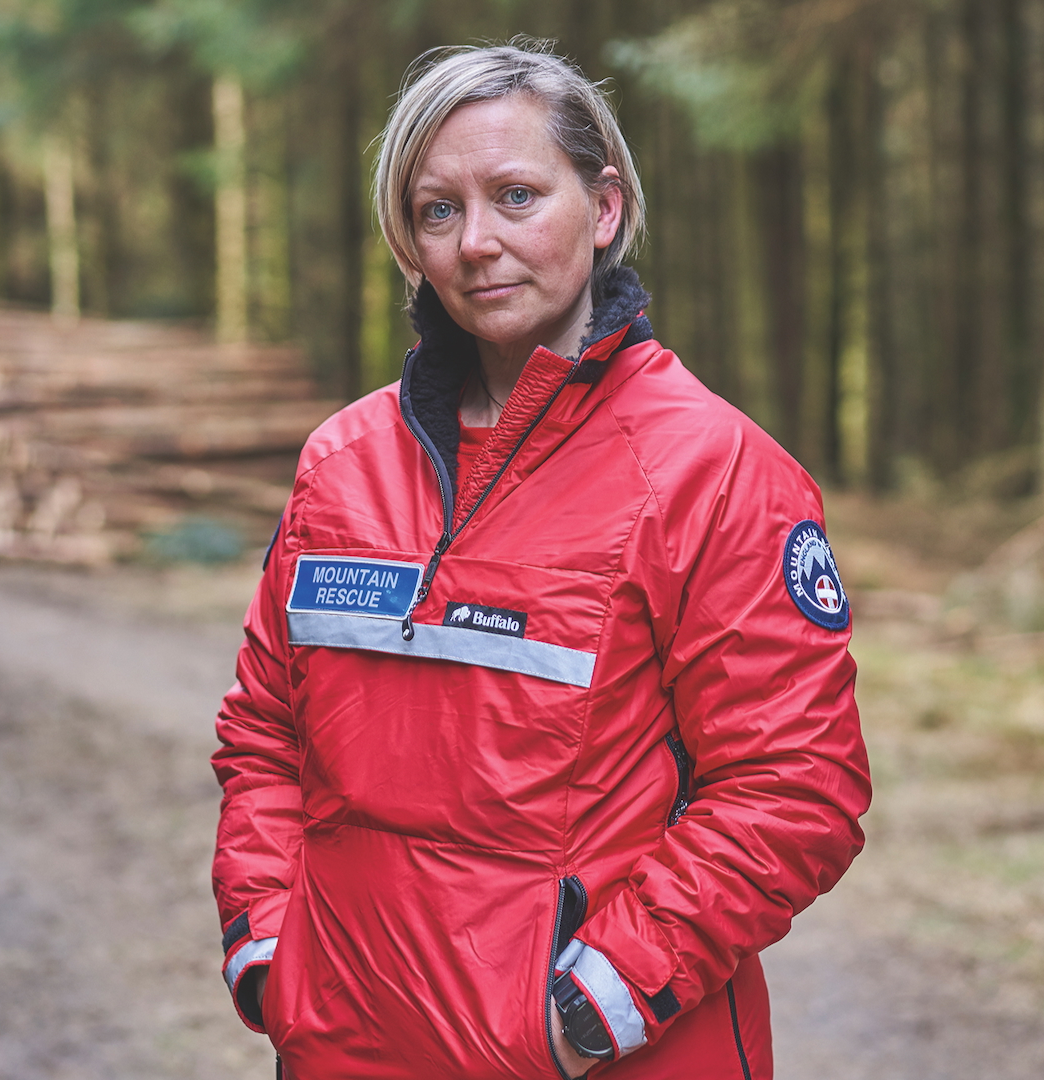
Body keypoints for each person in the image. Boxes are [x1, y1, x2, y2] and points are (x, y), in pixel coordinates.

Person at [211, 41, 871, 1080]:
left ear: (603, 210)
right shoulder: (341, 465)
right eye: (439, 210)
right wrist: (265, 946)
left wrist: (589, 1006)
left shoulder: (714, 470)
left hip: (601, 1054)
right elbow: (264, 733)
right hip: (346, 1049)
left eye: (516, 196)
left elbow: (794, 788)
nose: (478, 242)